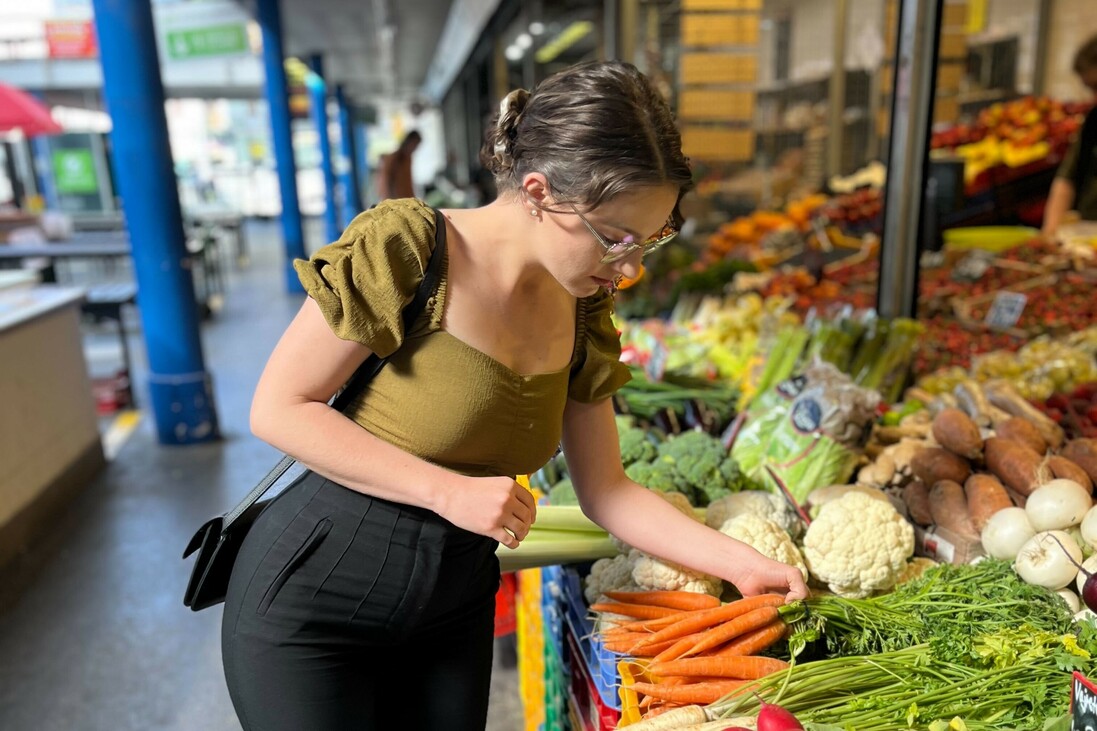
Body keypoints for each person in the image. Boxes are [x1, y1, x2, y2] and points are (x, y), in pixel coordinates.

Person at [220, 60, 809, 731]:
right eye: (614, 237)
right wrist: (447, 490)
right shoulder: (409, 246)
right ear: (539, 191)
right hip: (312, 604)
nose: (631, 266)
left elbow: (608, 491)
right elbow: (278, 406)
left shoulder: (583, 306)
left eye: (649, 240)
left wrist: (743, 563)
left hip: (451, 610)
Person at [1043, 34, 1097, 236]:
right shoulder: (1093, 122)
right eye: (1090, 88)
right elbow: (1066, 180)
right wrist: (1050, 233)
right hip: (1088, 237)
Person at [377, 129, 421, 200]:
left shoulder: (408, 159)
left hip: (406, 201)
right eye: (414, 144)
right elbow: (385, 183)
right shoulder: (394, 158)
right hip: (395, 201)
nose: (414, 148)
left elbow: (408, 185)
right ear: (408, 141)